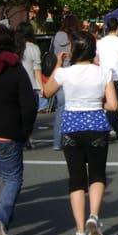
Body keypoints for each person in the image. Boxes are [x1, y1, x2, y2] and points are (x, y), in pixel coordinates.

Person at [43, 31, 117, 235]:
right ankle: (93, 216)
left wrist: (58, 64)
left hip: (71, 127)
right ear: (93, 50)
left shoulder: (64, 73)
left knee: (76, 179)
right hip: (96, 126)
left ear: (74, 50)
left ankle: (80, 232)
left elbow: (47, 92)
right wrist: (97, 104)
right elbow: (112, 105)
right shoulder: (103, 72)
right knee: (96, 174)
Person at [0, 24, 37, 235]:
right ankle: (1, 216)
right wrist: (25, 131)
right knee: (13, 178)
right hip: (8, 134)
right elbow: (29, 105)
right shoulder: (16, 68)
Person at [96, 18, 118, 140]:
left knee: (106, 104)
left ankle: (114, 129)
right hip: (117, 77)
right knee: (113, 105)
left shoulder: (99, 42)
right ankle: (114, 129)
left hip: (103, 76)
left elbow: (95, 60)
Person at [52, 14, 81, 150]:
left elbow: (52, 52)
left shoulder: (57, 36)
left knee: (60, 109)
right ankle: (73, 140)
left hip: (60, 73)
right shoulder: (77, 38)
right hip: (74, 75)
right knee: (77, 108)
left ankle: (57, 143)